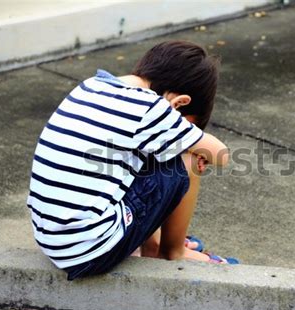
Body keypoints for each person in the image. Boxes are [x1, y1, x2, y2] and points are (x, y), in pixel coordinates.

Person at [27, 41, 239, 281]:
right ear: (179, 103)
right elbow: (220, 154)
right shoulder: (150, 107)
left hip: (54, 240)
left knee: (151, 156)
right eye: (185, 122)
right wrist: (192, 147)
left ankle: (149, 245)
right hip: (90, 252)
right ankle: (172, 252)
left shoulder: (91, 86)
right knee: (187, 158)